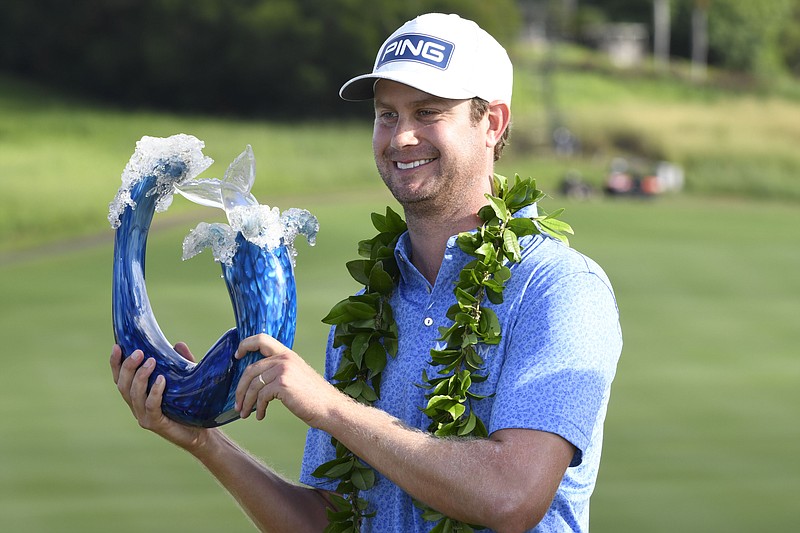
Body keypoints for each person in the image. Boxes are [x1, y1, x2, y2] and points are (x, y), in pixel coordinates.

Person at [111, 13, 622, 533]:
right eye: (386, 114)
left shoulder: (558, 289)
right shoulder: (367, 312)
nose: (401, 138)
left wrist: (330, 408)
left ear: (491, 123)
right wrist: (205, 441)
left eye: (427, 112)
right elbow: (332, 523)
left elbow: (512, 497)